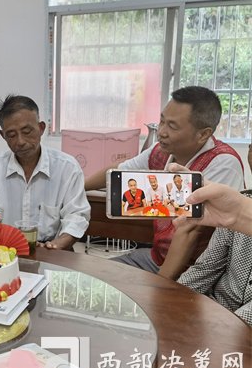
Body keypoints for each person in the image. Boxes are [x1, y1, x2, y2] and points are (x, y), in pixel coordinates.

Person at [85, 86, 244, 279]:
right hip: (158, 258)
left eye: (172, 127)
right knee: (95, 276)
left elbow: (190, 230)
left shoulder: (223, 163)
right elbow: (118, 171)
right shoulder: (160, 151)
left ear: (203, 134)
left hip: (198, 270)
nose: (161, 132)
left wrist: (160, 286)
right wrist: (79, 187)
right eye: (162, 121)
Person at [0, 95, 90, 250]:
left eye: (27, 131)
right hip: (6, 251)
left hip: (54, 250)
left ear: (41, 128)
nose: (20, 141)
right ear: (3, 136)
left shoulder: (67, 168)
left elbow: (76, 216)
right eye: (11, 135)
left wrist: (56, 245)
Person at [176, 144, 252, 326]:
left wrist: (224, 328)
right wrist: (172, 301)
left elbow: (242, 323)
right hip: (215, 309)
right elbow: (205, 269)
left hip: (232, 327)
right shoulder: (239, 203)